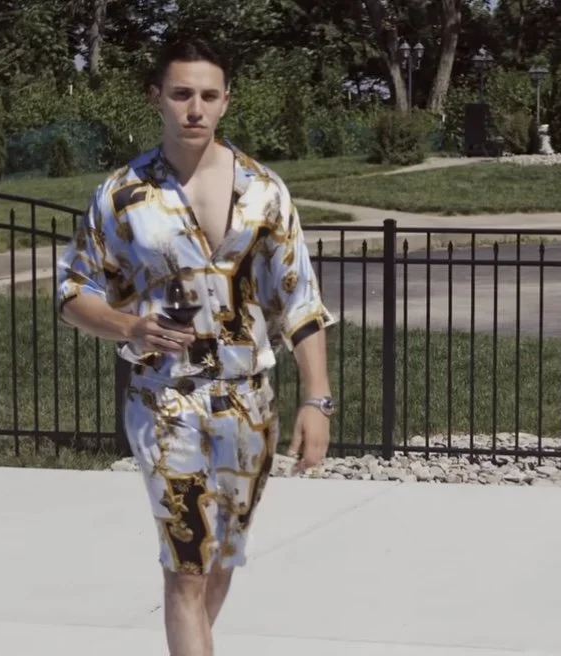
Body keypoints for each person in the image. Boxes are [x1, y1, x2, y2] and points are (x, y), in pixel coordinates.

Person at [54, 38, 336, 656]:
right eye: (181, 94)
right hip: (165, 402)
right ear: (157, 97)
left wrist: (318, 400)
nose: (195, 109)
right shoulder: (123, 196)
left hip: (249, 404)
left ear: (226, 101)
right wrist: (129, 327)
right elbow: (74, 291)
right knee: (184, 564)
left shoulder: (265, 192)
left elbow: (301, 302)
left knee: (220, 557)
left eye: (209, 96)